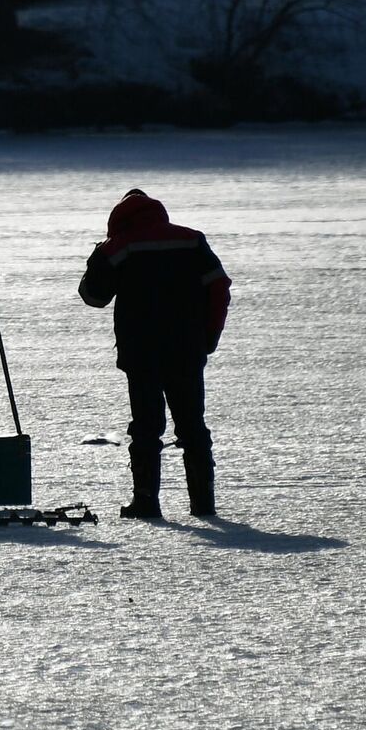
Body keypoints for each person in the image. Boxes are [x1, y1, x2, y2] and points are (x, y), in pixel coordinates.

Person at [79, 188, 230, 519]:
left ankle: (146, 501)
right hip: (187, 350)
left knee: (146, 426)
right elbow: (220, 287)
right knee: (193, 426)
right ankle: (203, 504)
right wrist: (209, 336)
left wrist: (96, 259)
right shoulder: (191, 241)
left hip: (141, 353)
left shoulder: (119, 246)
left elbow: (93, 296)